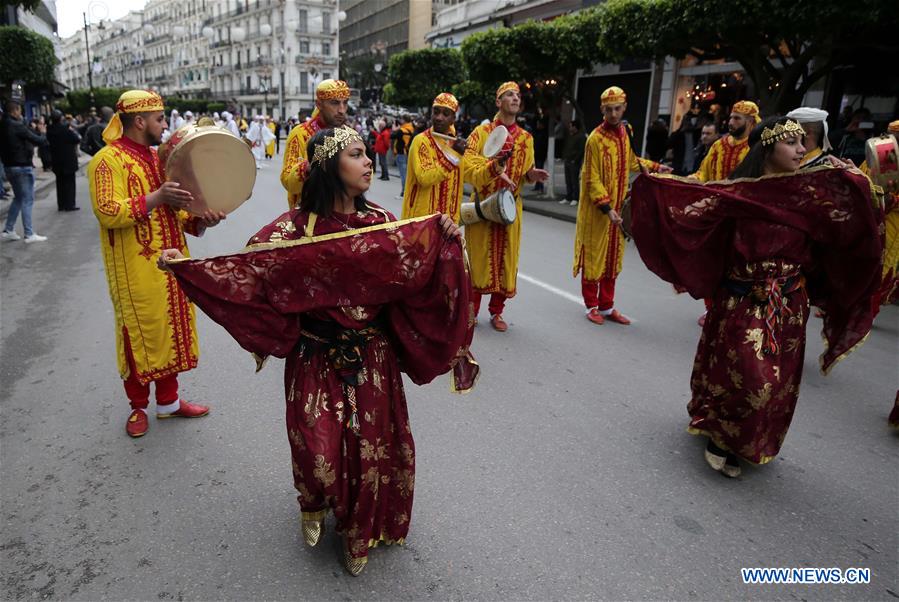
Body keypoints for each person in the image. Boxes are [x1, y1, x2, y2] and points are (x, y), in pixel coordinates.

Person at [159, 125, 477, 576]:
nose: (369, 162)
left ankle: (358, 532)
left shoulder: (384, 224)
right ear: (330, 165)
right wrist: (187, 269)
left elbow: (416, 275)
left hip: (372, 357)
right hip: (315, 357)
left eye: (368, 154)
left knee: (373, 451)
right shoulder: (291, 230)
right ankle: (315, 502)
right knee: (317, 451)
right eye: (356, 154)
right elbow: (249, 278)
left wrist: (445, 238)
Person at [630, 116, 882, 477]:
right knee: (748, 377)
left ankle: (749, 439)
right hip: (744, 297)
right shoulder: (739, 194)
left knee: (778, 383)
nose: (800, 150)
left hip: (790, 302)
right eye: (792, 143)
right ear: (768, 148)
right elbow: (695, 215)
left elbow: (850, 220)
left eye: (802, 143)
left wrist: (854, 180)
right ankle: (720, 435)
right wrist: (655, 193)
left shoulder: (809, 193)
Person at [87, 90, 226, 438]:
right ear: (139, 121)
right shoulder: (106, 161)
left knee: (172, 329)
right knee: (140, 333)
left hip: (173, 262)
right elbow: (108, 211)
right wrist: (157, 196)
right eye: (160, 118)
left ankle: (168, 402)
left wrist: (204, 219)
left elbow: (179, 214)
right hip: (135, 267)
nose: (165, 124)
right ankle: (138, 406)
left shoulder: (159, 159)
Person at [572, 86, 671, 326]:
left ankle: (607, 306)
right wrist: (607, 208)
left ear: (624, 108)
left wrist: (657, 167)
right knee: (595, 257)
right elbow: (591, 178)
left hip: (618, 207)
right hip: (599, 211)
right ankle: (591, 305)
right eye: (609, 110)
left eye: (617, 109)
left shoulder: (625, 133)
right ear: (602, 110)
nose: (614, 114)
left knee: (613, 259)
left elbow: (631, 161)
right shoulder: (594, 138)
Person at [463, 81, 549, 331]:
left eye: (518, 95)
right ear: (498, 102)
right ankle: (472, 312)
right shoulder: (481, 133)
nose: (515, 98)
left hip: (510, 207)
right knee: (477, 259)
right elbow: (468, 167)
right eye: (509, 95)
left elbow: (524, 173)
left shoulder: (526, 138)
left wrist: (532, 176)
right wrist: (493, 169)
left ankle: (497, 312)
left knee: (506, 260)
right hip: (483, 205)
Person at [281, 79, 350, 209]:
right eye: (334, 103)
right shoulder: (300, 134)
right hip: (310, 214)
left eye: (345, 103)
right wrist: (309, 167)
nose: (342, 110)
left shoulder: (350, 135)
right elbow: (287, 181)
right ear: (319, 104)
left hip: (344, 213)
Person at [400, 93, 468, 223]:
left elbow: (472, 174)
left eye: (445, 114)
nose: (439, 118)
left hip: (448, 224)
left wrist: (497, 165)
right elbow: (425, 177)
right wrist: (453, 156)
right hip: (421, 224)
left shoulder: (456, 145)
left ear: (453, 119)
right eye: (436, 112)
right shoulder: (421, 141)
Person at [1, 101, 49, 243]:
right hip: (22, 166)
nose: (21, 113)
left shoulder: (2, 125)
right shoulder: (17, 126)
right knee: (27, 199)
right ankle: (29, 233)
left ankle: (9, 229)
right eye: (19, 111)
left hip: (9, 166)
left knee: (19, 198)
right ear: (14, 111)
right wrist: (43, 132)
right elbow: (38, 140)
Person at [691, 100, 760, 182]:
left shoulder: (756, 148)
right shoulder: (718, 145)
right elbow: (703, 173)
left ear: (750, 121)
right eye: (731, 117)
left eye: (737, 118)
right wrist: (691, 180)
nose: (730, 122)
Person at [46, 110, 81, 211]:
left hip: (56, 160)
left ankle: (61, 204)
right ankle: (70, 204)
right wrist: (71, 130)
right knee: (70, 183)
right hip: (68, 160)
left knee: (59, 183)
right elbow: (76, 139)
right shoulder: (65, 129)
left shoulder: (49, 130)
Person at [560, 119, 586, 206]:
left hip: (574, 162)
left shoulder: (581, 137)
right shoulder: (571, 136)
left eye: (571, 126)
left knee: (574, 180)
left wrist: (575, 160)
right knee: (568, 180)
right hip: (567, 160)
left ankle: (575, 198)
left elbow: (581, 150)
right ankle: (568, 197)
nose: (570, 128)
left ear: (575, 127)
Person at [391, 114, 414, 198]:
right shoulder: (411, 129)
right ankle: (406, 191)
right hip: (407, 152)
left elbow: (392, 136)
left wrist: (394, 128)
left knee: (403, 175)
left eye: (401, 119)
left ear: (404, 120)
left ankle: (404, 192)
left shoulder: (401, 130)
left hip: (401, 153)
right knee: (406, 174)